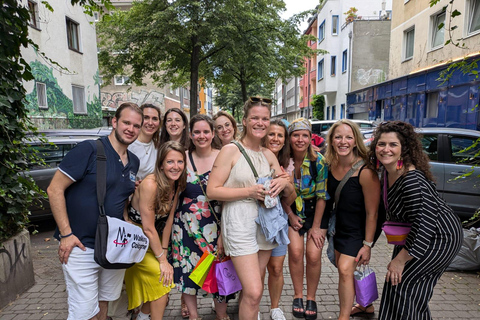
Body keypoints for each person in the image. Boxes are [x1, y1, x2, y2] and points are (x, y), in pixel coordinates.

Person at [47, 102, 143, 320]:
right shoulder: (89, 149)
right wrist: (66, 234)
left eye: (136, 126)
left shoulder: (133, 162)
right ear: (115, 122)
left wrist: (127, 219)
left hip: (114, 247)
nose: (131, 129)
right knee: (83, 313)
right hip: (80, 246)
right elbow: (54, 189)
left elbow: (120, 197)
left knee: (103, 305)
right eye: (126, 122)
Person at [207, 97, 294, 320]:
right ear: (244, 121)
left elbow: (289, 191)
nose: (260, 123)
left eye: (265, 118)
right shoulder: (231, 150)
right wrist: (249, 192)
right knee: (254, 291)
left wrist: (284, 182)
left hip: (265, 224)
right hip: (238, 223)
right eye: (255, 118)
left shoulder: (269, 154)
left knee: (252, 292)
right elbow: (212, 191)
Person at [369, 121, 463, 320]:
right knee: (395, 283)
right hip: (414, 237)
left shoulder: (412, 180)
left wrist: (401, 259)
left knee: (406, 288)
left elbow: (425, 224)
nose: (386, 149)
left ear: (404, 148)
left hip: (437, 238)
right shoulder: (388, 172)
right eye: (381, 144)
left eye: (393, 144)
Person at [172, 114, 232, 320]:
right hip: (185, 227)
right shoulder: (182, 157)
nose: (201, 136)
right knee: (188, 273)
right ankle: (194, 316)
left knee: (219, 270)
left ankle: (222, 315)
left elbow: (228, 196)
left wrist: (224, 234)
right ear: (190, 134)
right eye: (196, 132)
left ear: (213, 133)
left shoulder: (223, 156)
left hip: (215, 225)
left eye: (206, 131)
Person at [323, 120, 380, 319]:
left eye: (348, 137)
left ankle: (343, 316)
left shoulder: (366, 172)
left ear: (356, 141)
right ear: (331, 140)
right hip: (339, 228)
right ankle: (366, 306)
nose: (343, 141)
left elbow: (373, 213)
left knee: (345, 269)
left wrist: (367, 244)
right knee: (346, 269)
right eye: (338, 137)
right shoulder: (330, 166)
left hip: (359, 232)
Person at [124, 141, 187, 320]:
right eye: (170, 162)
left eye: (180, 161)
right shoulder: (150, 185)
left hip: (154, 240)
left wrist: (165, 252)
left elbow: (168, 222)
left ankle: (143, 317)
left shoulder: (176, 185)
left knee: (162, 282)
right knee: (163, 280)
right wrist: (162, 260)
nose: (176, 167)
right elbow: (148, 227)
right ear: (161, 164)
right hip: (136, 241)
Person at [286, 118, 329, 320]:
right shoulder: (283, 159)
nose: (300, 139)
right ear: (290, 137)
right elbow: (279, 194)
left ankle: (311, 297)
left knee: (313, 255)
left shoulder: (318, 161)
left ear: (310, 138)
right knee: (295, 253)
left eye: (305, 135)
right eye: (296, 135)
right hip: (290, 209)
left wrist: (317, 227)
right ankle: (298, 295)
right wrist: (291, 215)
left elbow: (322, 196)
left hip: (314, 211)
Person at [262, 119, 295, 320]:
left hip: (277, 221)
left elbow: (290, 199)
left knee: (275, 267)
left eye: (279, 135)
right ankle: (252, 307)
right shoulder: (254, 157)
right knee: (256, 270)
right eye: (271, 134)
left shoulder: (288, 163)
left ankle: (275, 307)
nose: (275, 138)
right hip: (255, 221)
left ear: (284, 140)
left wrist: (287, 184)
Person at [128, 103, 162, 180]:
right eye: (146, 117)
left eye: (154, 119)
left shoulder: (159, 146)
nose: (150, 123)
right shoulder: (128, 145)